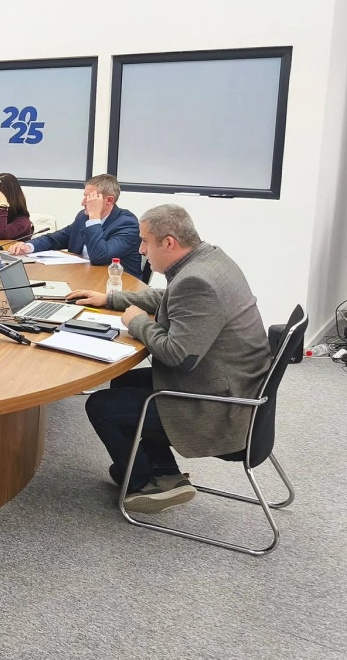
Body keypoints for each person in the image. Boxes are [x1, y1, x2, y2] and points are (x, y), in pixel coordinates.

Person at [68, 205, 270, 514]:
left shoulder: (198, 281)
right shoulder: (209, 260)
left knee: (101, 407)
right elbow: (169, 298)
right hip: (230, 383)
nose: (141, 249)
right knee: (124, 380)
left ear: (169, 243)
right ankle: (164, 472)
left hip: (220, 407)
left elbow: (178, 356)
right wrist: (110, 299)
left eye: (145, 241)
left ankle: (144, 483)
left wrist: (137, 322)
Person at [7, 174, 142, 280]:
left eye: (89, 198)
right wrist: (28, 246)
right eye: (84, 196)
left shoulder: (127, 224)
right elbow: (56, 238)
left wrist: (94, 216)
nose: (83, 203)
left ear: (109, 200)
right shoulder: (83, 217)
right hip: (83, 277)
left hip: (117, 287)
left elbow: (99, 257)